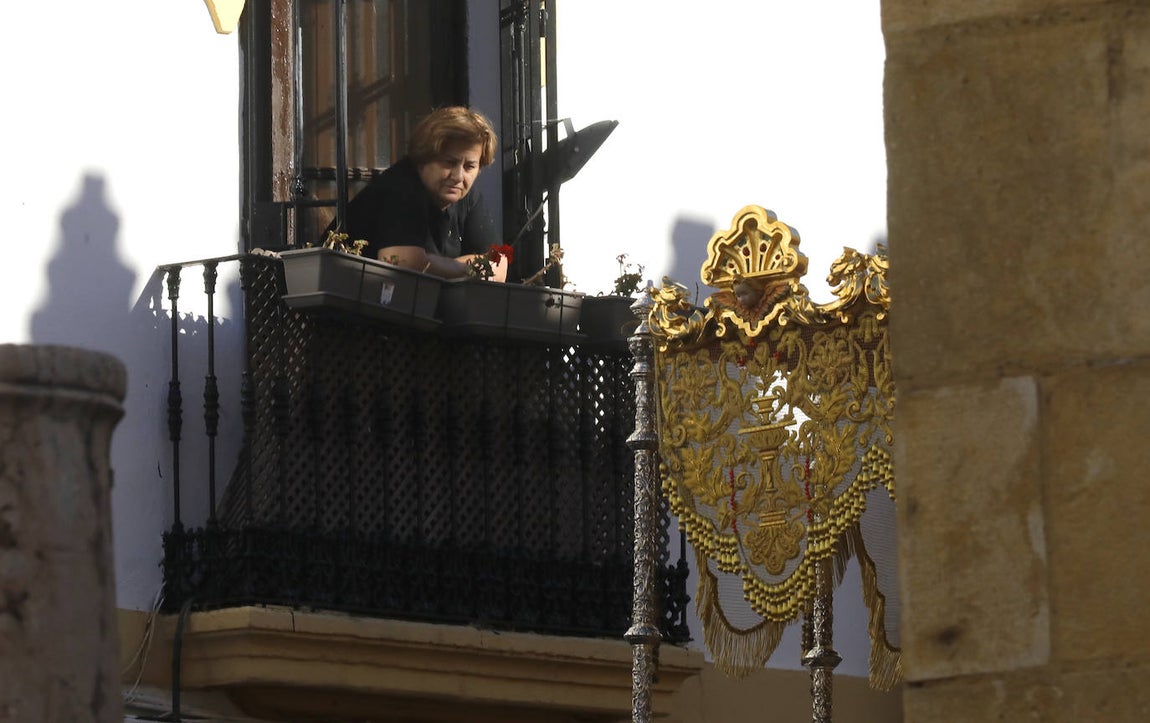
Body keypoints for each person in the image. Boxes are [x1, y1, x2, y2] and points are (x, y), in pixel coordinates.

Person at [326, 106, 506, 281]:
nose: (458, 176)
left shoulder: (467, 197)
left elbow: (500, 265)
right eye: (449, 162)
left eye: (470, 166)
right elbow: (402, 263)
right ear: (422, 158)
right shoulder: (401, 188)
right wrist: (470, 268)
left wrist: (434, 264)